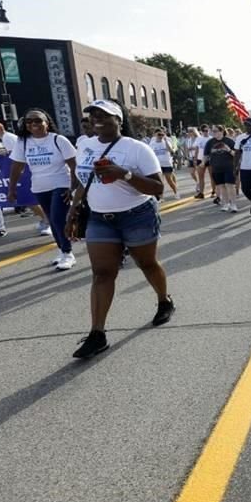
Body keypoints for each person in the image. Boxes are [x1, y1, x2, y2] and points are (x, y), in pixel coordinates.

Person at [65, 99, 173, 358]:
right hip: (100, 219)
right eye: (93, 115)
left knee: (147, 264)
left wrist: (123, 174)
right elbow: (83, 180)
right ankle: (97, 334)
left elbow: (157, 188)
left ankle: (163, 300)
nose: (97, 119)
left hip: (137, 216)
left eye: (104, 115)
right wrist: (73, 208)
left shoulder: (137, 149)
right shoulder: (85, 145)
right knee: (102, 274)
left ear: (119, 120)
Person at [7, 109, 80, 270]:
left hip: (61, 184)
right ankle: (62, 251)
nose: (34, 124)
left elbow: (74, 166)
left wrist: (72, 187)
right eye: (29, 121)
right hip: (39, 187)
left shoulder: (58, 140)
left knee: (57, 218)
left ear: (47, 122)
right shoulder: (23, 142)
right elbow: (17, 166)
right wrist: (12, 188)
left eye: (38, 120)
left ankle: (68, 253)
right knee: (51, 219)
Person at [0, 120, 52, 235]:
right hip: (23, 171)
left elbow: (14, 156)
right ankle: (45, 219)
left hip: (23, 172)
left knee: (27, 198)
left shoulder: (7, 138)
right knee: (27, 199)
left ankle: (47, 220)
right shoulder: (7, 137)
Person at [205, 126, 238, 212]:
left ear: (221, 131)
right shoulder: (210, 142)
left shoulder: (229, 141)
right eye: (212, 131)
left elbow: (236, 154)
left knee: (230, 185)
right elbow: (206, 154)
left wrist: (228, 150)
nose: (213, 133)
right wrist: (202, 163)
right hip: (216, 167)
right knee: (221, 186)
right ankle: (226, 204)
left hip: (229, 167)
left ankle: (233, 204)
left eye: (215, 131)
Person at [148, 128, 179, 198]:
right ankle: (161, 196)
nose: (160, 136)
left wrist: (165, 141)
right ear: (155, 135)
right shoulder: (152, 144)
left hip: (167, 164)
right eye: (159, 134)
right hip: (157, 165)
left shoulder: (166, 141)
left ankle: (176, 192)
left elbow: (171, 151)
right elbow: (150, 154)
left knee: (169, 180)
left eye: (162, 134)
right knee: (160, 182)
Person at [194, 124, 212, 199]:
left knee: (212, 176)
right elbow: (197, 149)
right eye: (204, 131)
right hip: (200, 159)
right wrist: (195, 159)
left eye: (207, 130)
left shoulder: (211, 139)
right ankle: (201, 193)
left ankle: (214, 191)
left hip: (209, 159)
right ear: (201, 131)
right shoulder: (199, 139)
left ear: (209, 130)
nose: (205, 132)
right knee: (201, 177)